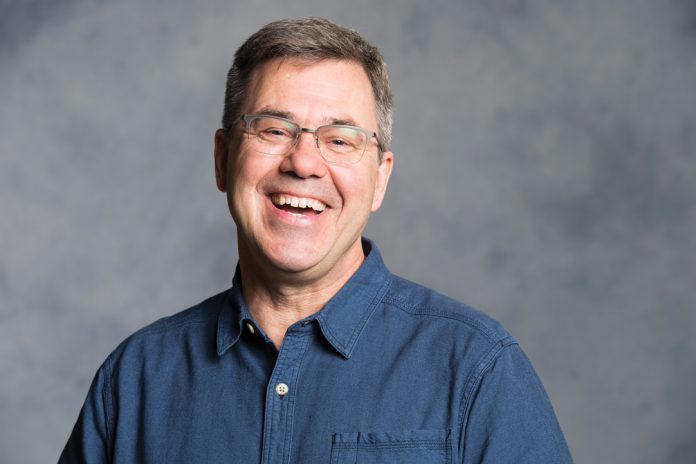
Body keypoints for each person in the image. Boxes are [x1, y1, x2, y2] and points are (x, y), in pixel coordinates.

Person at [60, 17, 573, 463]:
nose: (303, 163)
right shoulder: (134, 381)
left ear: (381, 178)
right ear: (222, 159)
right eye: (273, 129)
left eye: (340, 140)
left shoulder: (477, 369)